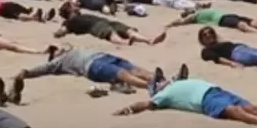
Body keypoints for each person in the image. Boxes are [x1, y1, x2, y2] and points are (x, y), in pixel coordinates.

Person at [111, 65, 257, 128]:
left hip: (217, 90)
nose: (163, 80)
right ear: (157, 88)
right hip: (205, 100)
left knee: (252, 107)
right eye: (159, 81)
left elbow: (182, 72)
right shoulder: (162, 96)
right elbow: (144, 104)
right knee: (235, 111)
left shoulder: (176, 83)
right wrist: (126, 110)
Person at [16, 44, 156, 90]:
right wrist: (27, 73)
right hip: (92, 66)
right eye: (55, 50)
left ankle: (161, 81)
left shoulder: (72, 50)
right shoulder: (60, 62)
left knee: (135, 69)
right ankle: (149, 86)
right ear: (54, 56)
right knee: (122, 73)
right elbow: (44, 68)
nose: (59, 48)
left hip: (104, 57)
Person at [55, 3, 166, 46]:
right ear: (69, 10)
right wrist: (58, 33)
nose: (76, 5)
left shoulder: (81, 15)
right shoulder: (69, 22)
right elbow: (61, 31)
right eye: (73, 5)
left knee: (128, 30)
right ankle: (125, 42)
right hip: (94, 26)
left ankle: (148, 40)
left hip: (105, 21)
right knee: (110, 33)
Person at [166, 8, 257, 33]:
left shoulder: (198, 10)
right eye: (187, 11)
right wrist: (170, 24)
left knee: (252, 21)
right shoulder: (194, 16)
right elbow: (181, 21)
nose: (189, 10)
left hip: (227, 14)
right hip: (220, 19)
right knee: (241, 25)